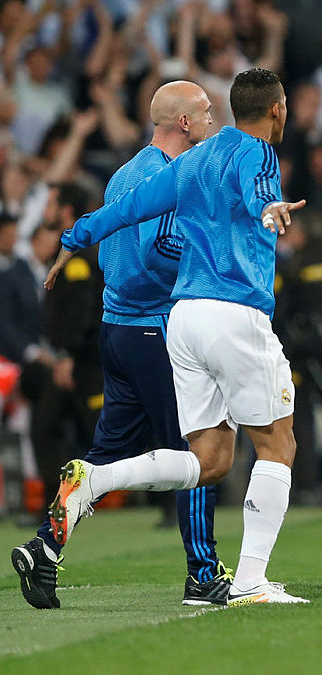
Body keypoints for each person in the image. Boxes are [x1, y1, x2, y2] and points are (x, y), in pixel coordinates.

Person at [40, 68, 310, 604]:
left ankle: (96, 481)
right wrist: (269, 207)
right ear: (277, 110)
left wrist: (74, 236)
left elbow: (131, 207)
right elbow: (258, 189)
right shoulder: (258, 152)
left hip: (182, 320)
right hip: (234, 313)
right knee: (278, 443)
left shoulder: (193, 161)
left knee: (209, 460)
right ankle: (251, 581)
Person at [11, 81, 233, 610]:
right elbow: (159, 251)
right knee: (196, 453)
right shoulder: (167, 175)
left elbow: (116, 255)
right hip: (156, 331)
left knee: (104, 460)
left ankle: (44, 548)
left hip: (118, 330)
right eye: (205, 111)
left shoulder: (124, 174)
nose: (213, 119)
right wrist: (215, 260)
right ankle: (203, 573)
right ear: (183, 122)